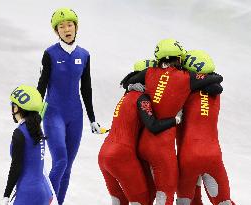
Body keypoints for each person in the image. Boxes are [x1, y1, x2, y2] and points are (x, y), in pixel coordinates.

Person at [122, 39, 223, 205]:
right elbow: (216, 82)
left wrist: (135, 86)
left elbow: (128, 81)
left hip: (143, 144)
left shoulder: (150, 73)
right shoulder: (184, 78)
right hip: (162, 147)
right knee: (166, 196)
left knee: (145, 197)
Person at [37, 8, 104, 204]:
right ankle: (43, 201)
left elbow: (87, 88)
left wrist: (92, 119)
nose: (67, 29)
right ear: (56, 31)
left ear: (76, 27)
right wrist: (34, 114)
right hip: (53, 114)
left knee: (68, 167)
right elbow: (41, 85)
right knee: (60, 161)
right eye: (61, 26)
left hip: (75, 116)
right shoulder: (49, 53)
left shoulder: (84, 55)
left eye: (70, 24)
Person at [98, 60, 183, 205]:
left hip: (104, 154)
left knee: (119, 201)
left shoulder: (126, 95)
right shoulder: (142, 98)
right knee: (141, 201)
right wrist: (176, 119)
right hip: (122, 154)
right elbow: (153, 125)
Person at [176, 50, 235, 205]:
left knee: (186, 202)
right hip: (212, 154)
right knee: (224, 202)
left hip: (187, 156)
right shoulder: (215, 90)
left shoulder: (184, 90)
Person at [1, 85, 53, 205]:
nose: (12, 110)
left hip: (28, 194)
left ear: (18, 109)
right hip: (44, 191)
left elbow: (16, 166)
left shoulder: (19, 133)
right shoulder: (37, 129)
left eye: (13, 106)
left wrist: (6, 195)